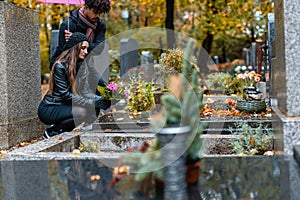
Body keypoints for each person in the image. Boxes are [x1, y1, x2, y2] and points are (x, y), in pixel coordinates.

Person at [38, 32, 111, 139]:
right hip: (51, 107)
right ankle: (51, 132)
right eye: (83, 48)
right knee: (82, 111)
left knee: (89, 110)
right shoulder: (60, 66)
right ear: (75, 48)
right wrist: (93, 102)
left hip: (65, 106)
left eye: (87, 48)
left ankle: (60, 133)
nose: (86, 52)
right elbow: (65, 95)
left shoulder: (82, 66)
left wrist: (101, 99)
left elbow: (85, 92)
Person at [50, 0, 111, 88]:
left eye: (100, 13)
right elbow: (65, 53)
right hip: (68, 67)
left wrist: (77, 38)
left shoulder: (100, 25)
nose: (97, 16)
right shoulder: (69, 25)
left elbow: (98, 49)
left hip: (87, 66)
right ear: (86, 6)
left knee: (104, 91)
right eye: (95, 12)